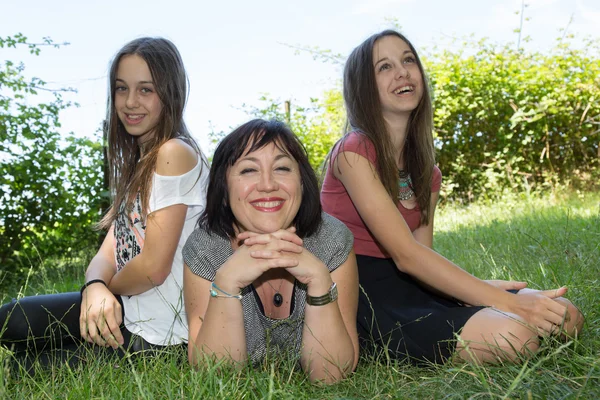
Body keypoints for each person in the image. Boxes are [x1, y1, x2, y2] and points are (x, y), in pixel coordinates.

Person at [320, 30, 584, 365]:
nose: (402, 71)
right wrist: (507, 302)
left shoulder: (427, 171)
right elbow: (406, 255)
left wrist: (473, 289)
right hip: (365, 296)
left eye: (407, 60)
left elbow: (423, 256)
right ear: (363, 88)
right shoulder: (353, 152)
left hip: (415, 286)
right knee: (517, 337)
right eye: (384, 67)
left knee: (566, 316)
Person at [0, 37, 209, 368]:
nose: (129, 102)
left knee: (22, 368)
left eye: (145, 90)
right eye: (121, 88)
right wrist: (94, 287)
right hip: (128, 308)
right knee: (12, 320)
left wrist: (101, 293)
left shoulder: (174, 153)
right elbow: (108, 251)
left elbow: (154, 268)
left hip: (162, 333)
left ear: (170, 94)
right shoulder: (142, 161)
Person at [182, 119, 358, 383]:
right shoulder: (205, 249)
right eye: (248, 170)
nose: (267, 185)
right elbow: (217, 378)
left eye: (282, 168)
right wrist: (227, 283)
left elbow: (330, 375)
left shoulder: (332, 241)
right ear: (224, 188)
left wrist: (320, 281)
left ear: (301, 183)